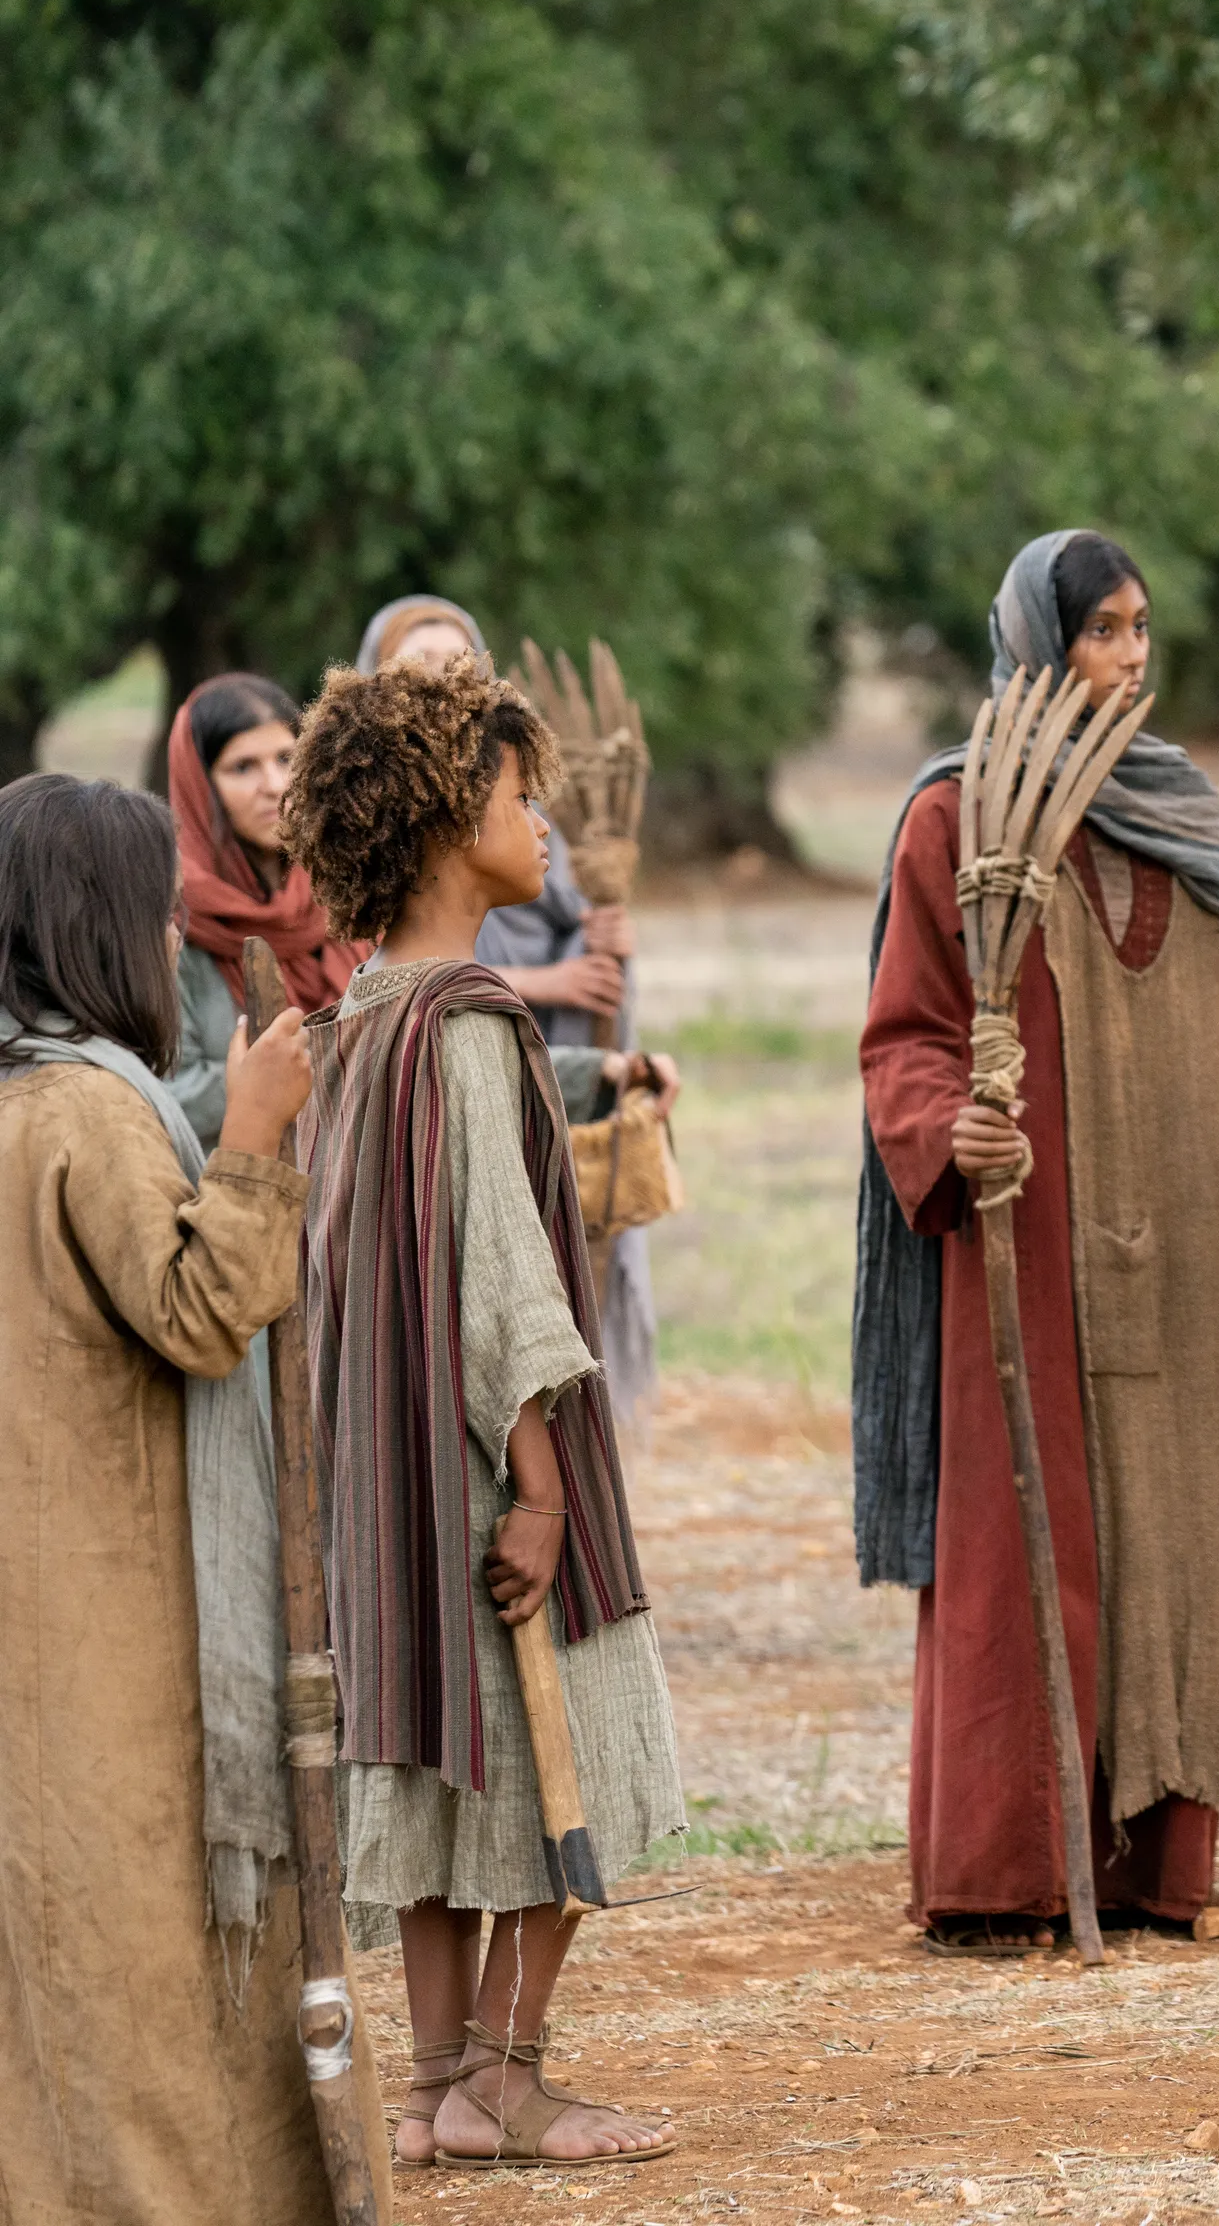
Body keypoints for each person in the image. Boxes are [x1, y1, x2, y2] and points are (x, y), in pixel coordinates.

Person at [852, 531, 1219, 1951]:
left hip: (1179, 1219)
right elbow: (907, 1030)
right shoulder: (964, 814)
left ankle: (1161, 1864)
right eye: (1099, 630)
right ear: (1034, 646)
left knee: (1179, 1521)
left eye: (1138, 629)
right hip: (1027, 1232)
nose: (1125, 656)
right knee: (1028, 1521)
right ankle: (1012, 1871)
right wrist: (951, 1130)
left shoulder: (1182, 810)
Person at [285, 655, 685, 2167]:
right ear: (456, 816)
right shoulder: (466, 1020)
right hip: (488, 1458)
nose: (544, 823)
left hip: (392, 1463)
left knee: (445, 1760)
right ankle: (509, 2078)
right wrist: (542, 1487)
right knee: (555, 1736)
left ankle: (435, 2087)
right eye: (522, 794)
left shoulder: (362, 1012)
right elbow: (502, 1275)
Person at [0, 773, 327, 2222]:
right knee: (134, 1934)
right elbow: (202, 1312)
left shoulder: (18, 1095)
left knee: (50, 1926)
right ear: (100, 928)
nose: (170, 944)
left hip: (44, 1600)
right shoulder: (88, 1111)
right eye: (155, 915)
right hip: (118, 1615)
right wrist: (252, 1136)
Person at [358, 600, 663, 1451]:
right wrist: (539, 1484)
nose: (537, 820)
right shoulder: (383, 869)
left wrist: (601, 949)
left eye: (461, 664)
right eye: (419, 665)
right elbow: (408, 969)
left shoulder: (526, 844)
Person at [159, 671, 365, 1143]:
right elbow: (170, 1093)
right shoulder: (175, 920)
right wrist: (301, 1068)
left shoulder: (348, 888)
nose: (274, 785)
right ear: (199, 785)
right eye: (243, 768)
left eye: (286, 759)